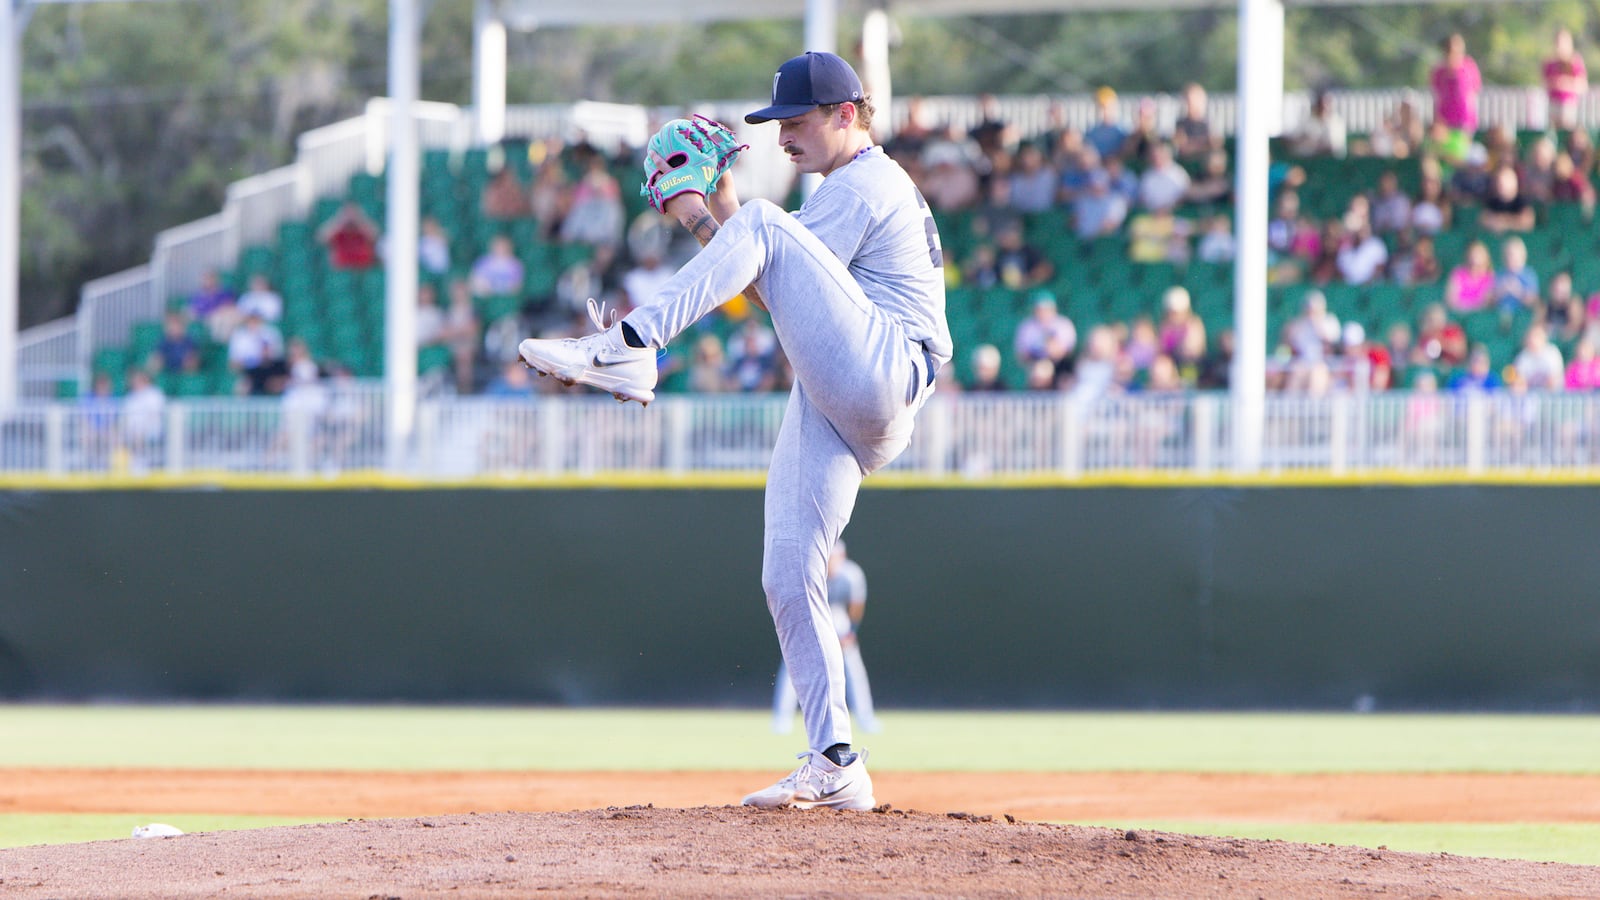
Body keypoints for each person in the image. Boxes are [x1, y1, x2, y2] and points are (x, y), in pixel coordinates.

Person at [516, 51, 949, 811]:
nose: (784, 136)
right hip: (843, 392)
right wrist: (706, 199)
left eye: (799, 120)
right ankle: (836, 761)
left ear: (848, 114)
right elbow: (760, 276)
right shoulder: (841, 187)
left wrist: (706, 206)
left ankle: (628, 348)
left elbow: (765, 263)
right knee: (787, 572)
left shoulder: (866, 181)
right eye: (777, 124)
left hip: (885, 368)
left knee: (762, 224)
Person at [772, 539, 881, 736]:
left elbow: (856, 607)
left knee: (854, 671)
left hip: (838, 618)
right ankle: (782, 720)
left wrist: (851, 632)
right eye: (829, 557)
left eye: (835, 557)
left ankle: (866, 719)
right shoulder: (811, 571)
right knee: (791, 667)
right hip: (811, 618)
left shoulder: (851, 574)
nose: (832, 561)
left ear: (842, 557)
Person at [1432, 33, 1482, 141]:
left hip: (1465, 120)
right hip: (1445, 120)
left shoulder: (1469, 66)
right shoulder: (1439, 71)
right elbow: (1437, 95)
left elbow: (1475, 89)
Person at [1543, 27, 1589, 132]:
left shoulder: (1574, 62)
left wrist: (1565, 83)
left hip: (1568, 104)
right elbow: (1545, 82)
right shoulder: (1550, 62)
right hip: (1553, 103)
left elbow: (1582, 85)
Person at [318, 202, 380, 270]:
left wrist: (359, 219)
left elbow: (375, 236)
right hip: (341, 268)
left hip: (363, 268)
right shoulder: (339, 231)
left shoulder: (362, 229)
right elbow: (321, 238)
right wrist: (340, 220)